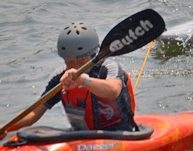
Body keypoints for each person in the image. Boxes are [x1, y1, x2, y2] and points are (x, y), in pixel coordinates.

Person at [1, 22, 137, 140]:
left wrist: (83, 80)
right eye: (70, 63)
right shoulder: (60, 78)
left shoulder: (108, 68)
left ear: (93, 55)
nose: (77, 68)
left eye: (82, 62)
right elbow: (33, 113)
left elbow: (113, 90)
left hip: (120, 135)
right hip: (81, 137)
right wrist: (5, 128)